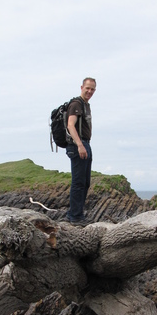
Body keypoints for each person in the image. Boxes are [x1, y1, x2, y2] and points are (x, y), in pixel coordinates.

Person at [66, 77, 96, 224]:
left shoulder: (85, 105)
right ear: (81, 87)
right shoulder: (77, 103)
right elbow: (70, 125)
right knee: (78, 182)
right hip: (78, 145)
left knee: (85, 182)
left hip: (85, 144)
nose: (90, 91)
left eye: (92, 89)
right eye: (87, 88)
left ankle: (77, 214)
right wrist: (79, 145)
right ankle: (75, 216)